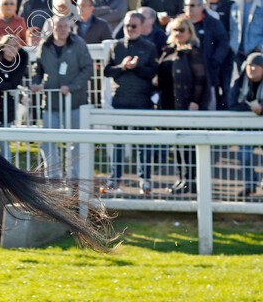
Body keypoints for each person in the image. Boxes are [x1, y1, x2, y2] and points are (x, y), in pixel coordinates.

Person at [31, 15, 93, 179]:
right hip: (51, 103)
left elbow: (87, 69)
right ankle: (53, 178)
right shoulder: (45, 45)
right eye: (59, 26)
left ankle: (74, 178)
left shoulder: (78, 44)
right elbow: (38, 69)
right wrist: (36, 83)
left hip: (74, 102)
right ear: (52, 28)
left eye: (65, 26)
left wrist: (72, 87)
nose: (62, 29)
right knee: (49, 142)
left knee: (76, 142)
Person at [104, 11, 159, 194]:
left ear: (142, 27)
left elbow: (152, 73)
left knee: (144, 143)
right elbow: (107, 71)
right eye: (127, 25)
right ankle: (115, 179)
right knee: (118, 143)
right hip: (120, 99)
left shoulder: (149, 47)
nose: (130, 29)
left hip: (142, 101)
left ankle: (145, 179)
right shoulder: (116, 46)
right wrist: (122, 67)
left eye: (134, 26)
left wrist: (137, 67)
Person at [155, 17, 209, 194]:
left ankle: (190, 180)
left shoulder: (193, 52)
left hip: (186, 104)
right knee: (176, 143)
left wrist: (195, 101)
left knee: (187, 144)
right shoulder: (168, 51)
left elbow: (201, 80)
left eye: (182, 30)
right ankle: (181, 178)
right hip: (169, 103)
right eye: (175, 30)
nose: (178, 33)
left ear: (189, 32)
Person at [185, 0, 231, 109]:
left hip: (207, 73)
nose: (188, 8)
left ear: (201, 6)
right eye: (186, 5)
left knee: (208, 107)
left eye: (192, 5)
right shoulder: (180, 24)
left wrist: (215, 60)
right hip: (185, 74)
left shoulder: (213, 23)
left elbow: (223, 42)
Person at [228, 52, 263, 197]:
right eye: (250, 66)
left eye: (256, 66)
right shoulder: (239, 81)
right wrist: (251, 109)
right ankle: (250, 185)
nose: (252, 69)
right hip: (247, 127)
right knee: (244, 155)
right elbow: (232, 103)